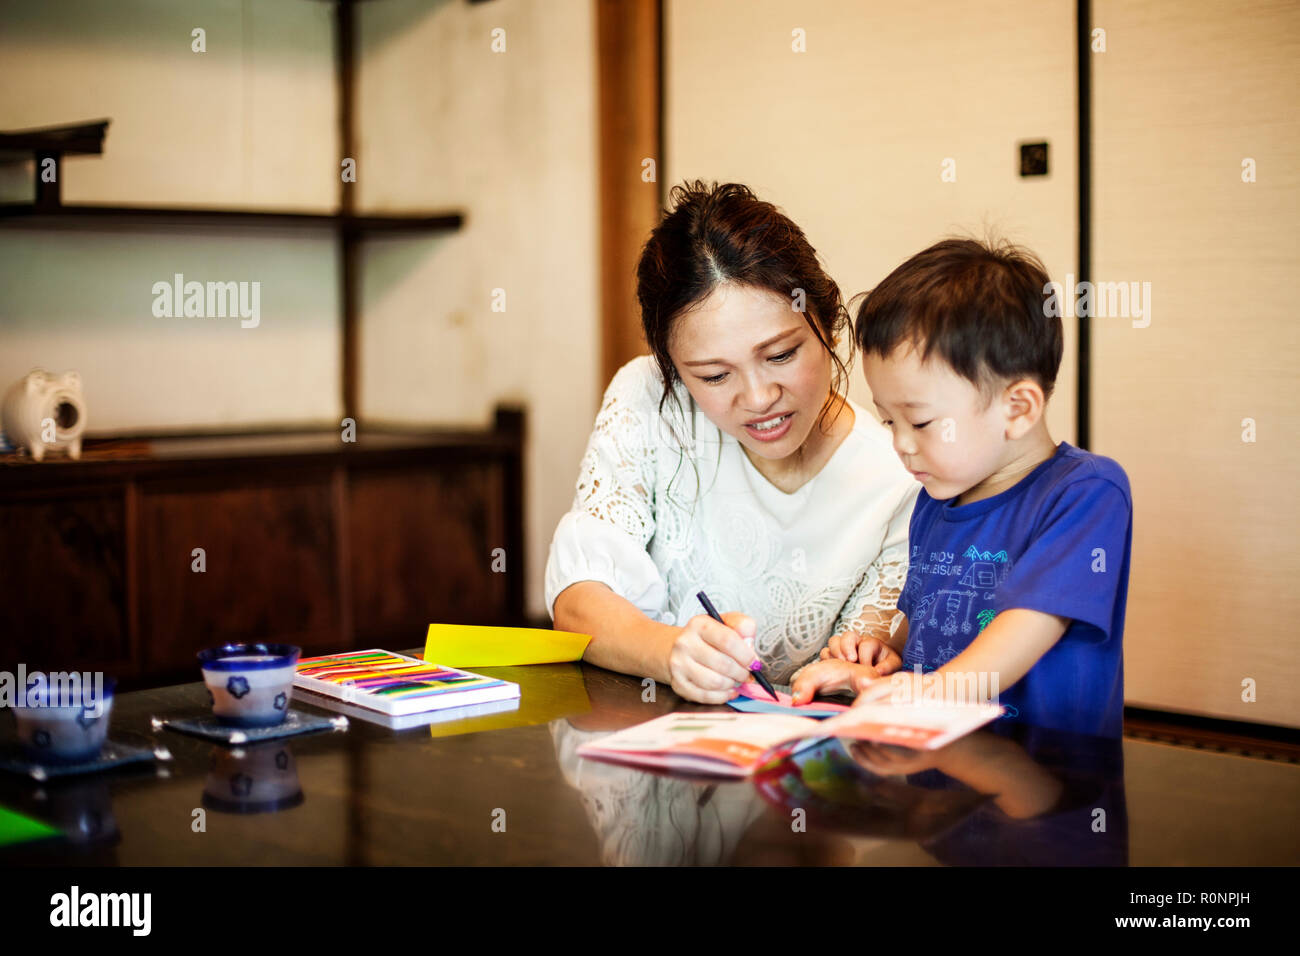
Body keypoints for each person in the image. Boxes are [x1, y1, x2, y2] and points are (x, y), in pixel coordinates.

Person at [546, 181, 919, 703]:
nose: (760, 397)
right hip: (633, 732)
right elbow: (580, 603)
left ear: (829, 325)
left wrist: (855, 670)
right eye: (715, 377)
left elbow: (856, 661)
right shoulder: (649, 401)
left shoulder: (900, 478)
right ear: (674, 371)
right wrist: (671, 651)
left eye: (782, 354)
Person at [792, 238, 1132, 737]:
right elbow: (920, 625)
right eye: (889, 422)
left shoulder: (1086, 494)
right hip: (941, 773)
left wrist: (929, 691)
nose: (902, 446)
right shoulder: (936, 501)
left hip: (1048, 785)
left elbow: (1032, 622)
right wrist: (882, 662)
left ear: (1017, 409)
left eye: (922, 422)